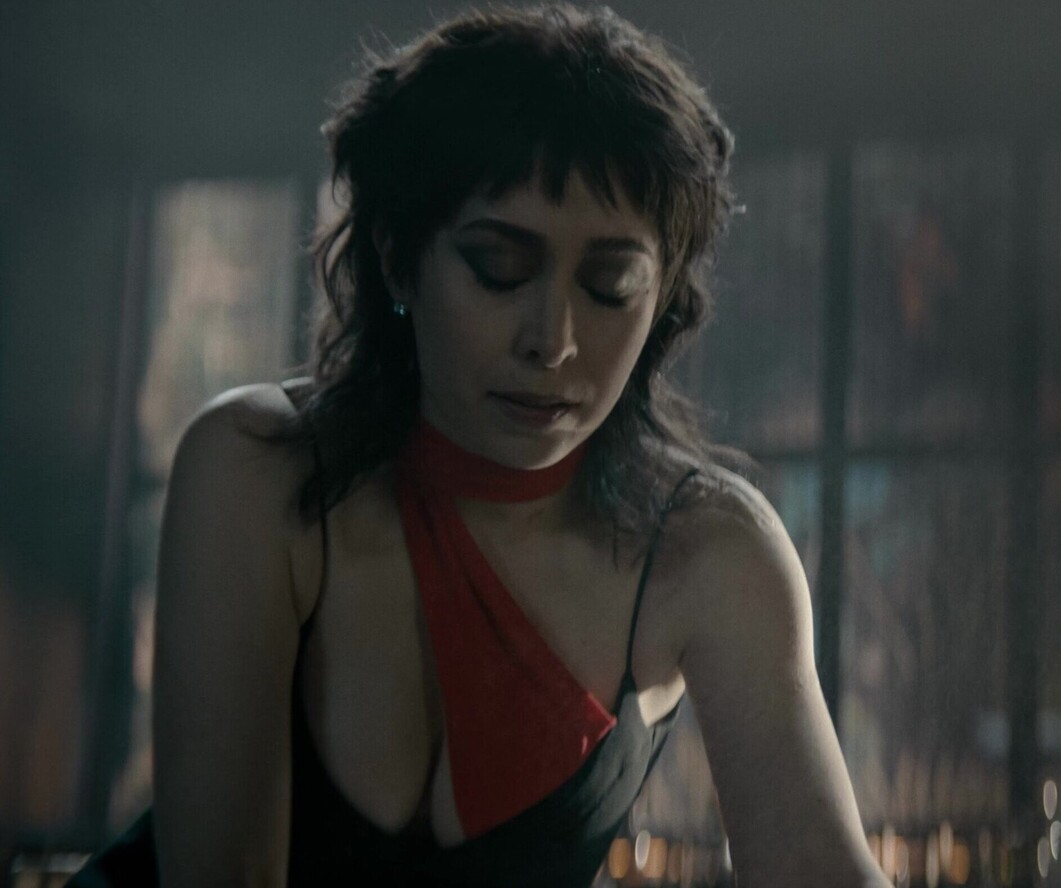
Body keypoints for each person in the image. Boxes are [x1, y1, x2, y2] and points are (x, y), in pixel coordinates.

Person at [71, 3, 890, 886]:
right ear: (397, 254)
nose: (553, 340)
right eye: (499, 267)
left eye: (611, 285)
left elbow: (819, 868)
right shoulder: (258, 469)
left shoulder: (709, 552)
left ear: (661, 302)